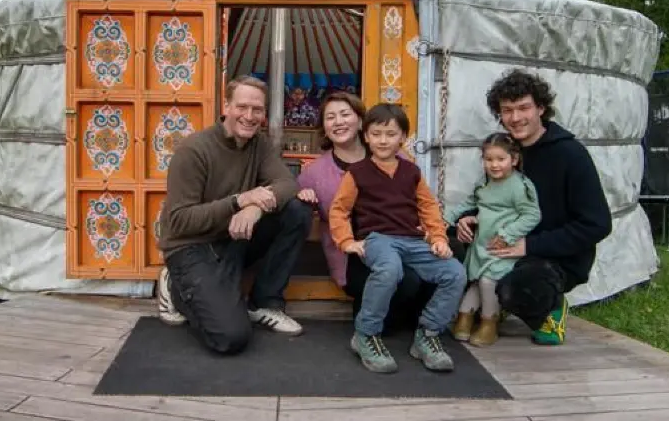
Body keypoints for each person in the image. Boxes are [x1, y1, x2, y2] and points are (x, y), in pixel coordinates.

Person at [155, 75, 311, 355]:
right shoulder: (194, 150)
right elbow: (178, 222)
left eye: (257, 110)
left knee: (297, 211)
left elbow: (288, 184)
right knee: (230, 337)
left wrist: (254, 207)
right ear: (226, 106)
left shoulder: (260, 145)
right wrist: (239, 201)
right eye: (242, 107)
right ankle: (175, 287)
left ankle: (264, 303)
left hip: (234, 238)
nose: (249, 116)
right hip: (192, 247)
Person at [456, 68, 612, 346]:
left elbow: (597, 223)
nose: (515, 118)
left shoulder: (570, 155)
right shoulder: (504, 152)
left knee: (517, 288)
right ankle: (490, 306)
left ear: (541, 107)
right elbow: (489, 198)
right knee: (449, 248)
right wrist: (468, 218)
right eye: (507, 110)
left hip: (553, 257)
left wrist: (529, 245)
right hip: (503, 243)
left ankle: (550, 309)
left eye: (523, 108)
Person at [328, 104, 466, 374]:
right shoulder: (357, 172)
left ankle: (427, 334)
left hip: (413, 240)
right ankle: (366, 334)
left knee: (455, 272)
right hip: (378, 238)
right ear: (366, 136)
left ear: (403, 136)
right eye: (376, 133)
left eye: (390, 134)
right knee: (390, 269)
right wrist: (346, 242)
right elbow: (339, 209)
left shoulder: (411, 171)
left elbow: (428, 206)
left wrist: (438, 237)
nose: (383, 140)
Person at [295, 92, 437, 333]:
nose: (338, 122)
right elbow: (293, 202)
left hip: (400, 244)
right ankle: (376, 324)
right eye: (330, 117)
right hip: (354, 254)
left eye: (345, 114)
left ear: (361, 121)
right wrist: (300, 196)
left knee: (446, 255)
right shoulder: (314, 173)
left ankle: (421, 325)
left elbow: (421, 201)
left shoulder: (397, 157)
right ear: (324, 127)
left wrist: (432, 232)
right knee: (407, 282)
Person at [443, 132, 541, 347]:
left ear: (513, 160)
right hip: (482, 243)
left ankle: (490, 323)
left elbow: (532, 215)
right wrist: (447, 219)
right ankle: (464, 319)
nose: (494, 165)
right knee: (477, 280)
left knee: (488, 282)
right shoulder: (485, 182)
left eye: (500, 159)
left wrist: (508, 234)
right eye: (489, 160)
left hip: (503, 246)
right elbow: (469, 201)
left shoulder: (519, 186)